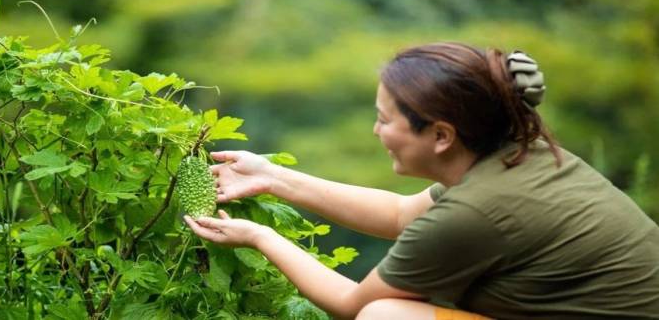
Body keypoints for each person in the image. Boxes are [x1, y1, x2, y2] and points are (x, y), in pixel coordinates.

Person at [184, 42, 659, 320]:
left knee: (384, 316)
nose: (376, 131)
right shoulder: (516, 154)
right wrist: (272, 177)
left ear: (440, 135)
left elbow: (352, 304)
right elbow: (398, 214)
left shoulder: (476, 212)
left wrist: (258, 236)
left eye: (385, 119)